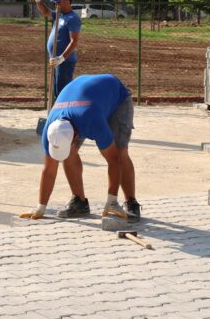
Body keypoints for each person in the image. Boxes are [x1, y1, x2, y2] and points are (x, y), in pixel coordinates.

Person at [28, 73, 140, 222]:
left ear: (75, 136)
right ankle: (79, 202)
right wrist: (40, 207)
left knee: (120, 151)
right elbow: (49, 171)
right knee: (69, 153)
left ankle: (131, 202)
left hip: (115, 96)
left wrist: (111, 200)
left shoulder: (92, 121)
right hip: (87, 100)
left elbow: (114, 160)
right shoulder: (51, 129)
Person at [27, 0, 81, 99]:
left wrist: (61, 58)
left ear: (66, 1)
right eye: (55, 2)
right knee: (56, 90)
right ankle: (55, 114)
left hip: (64, 62)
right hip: (55, 61)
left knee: (62, 91)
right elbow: (45, 12)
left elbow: (74, 41)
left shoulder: (73, 18)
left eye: (58, 2)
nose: (56, 4)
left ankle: (63, 115)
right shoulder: (59, 15)